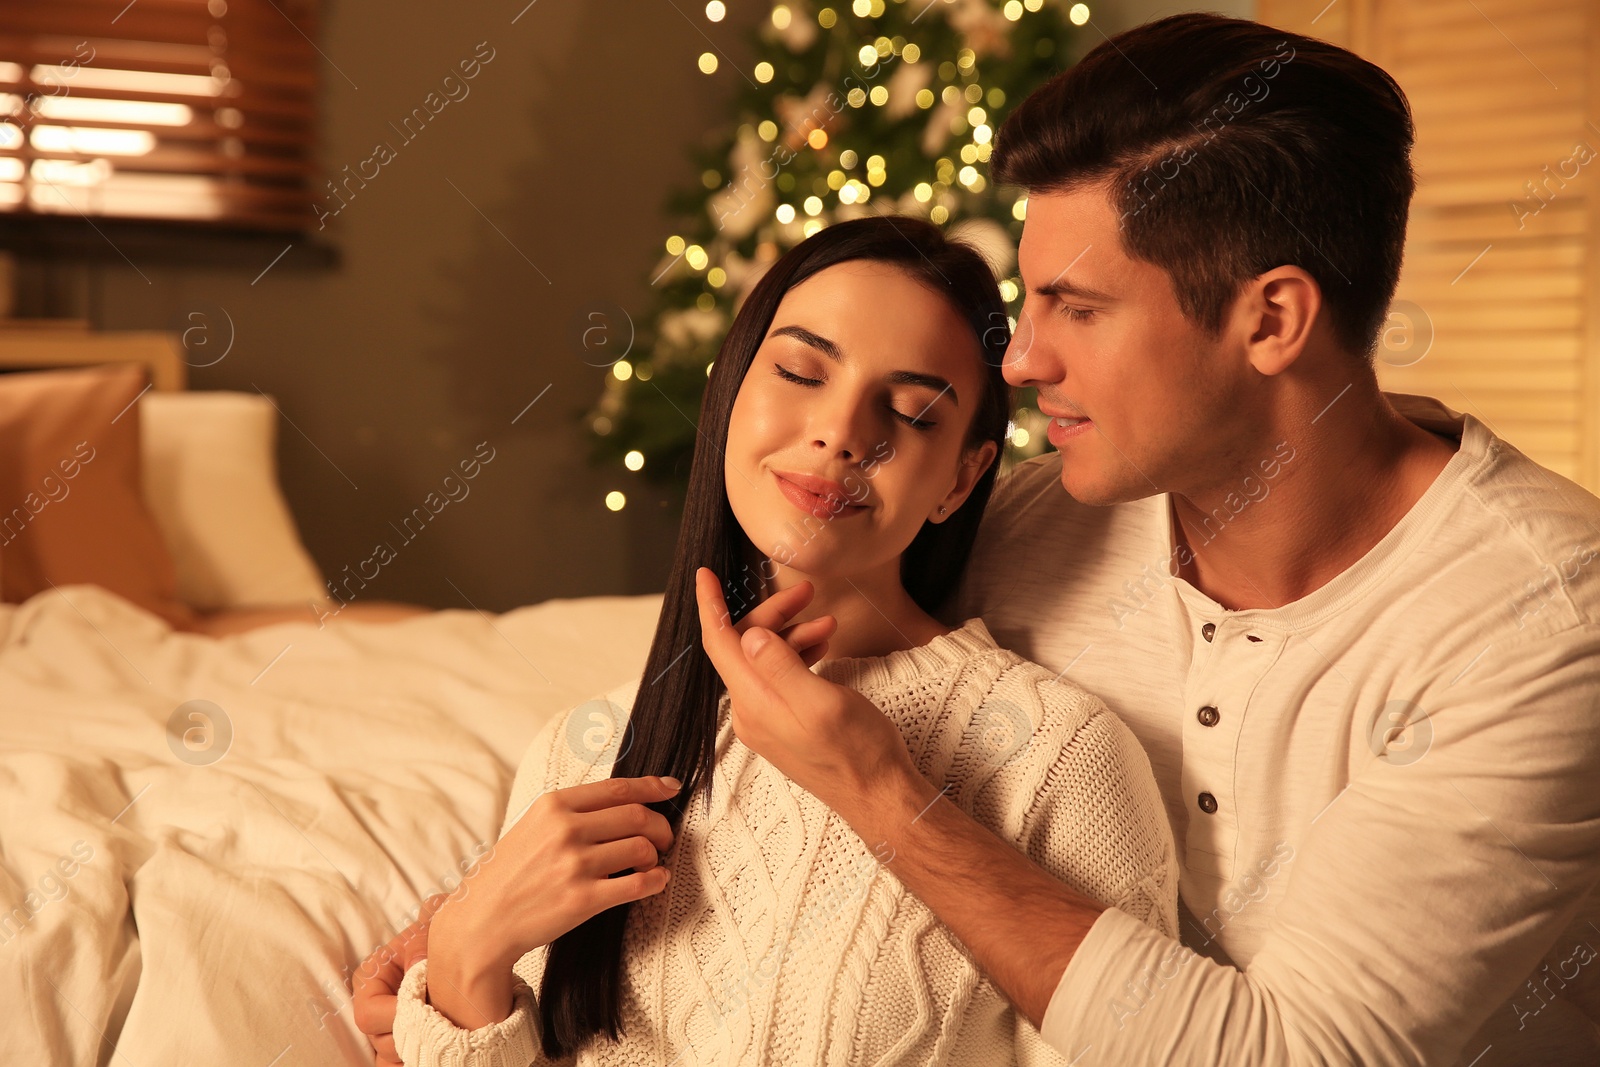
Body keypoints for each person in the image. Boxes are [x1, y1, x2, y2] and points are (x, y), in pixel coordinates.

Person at [693, 13, 1600, 1067]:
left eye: (1074, 307)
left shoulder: (1542, 622)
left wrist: (885, 795)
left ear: (1271, 322)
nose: (1023, 359)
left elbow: (1290, 1055)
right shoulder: (1035, 525)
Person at [353, 216, 1179, 1065]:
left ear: (962, 478)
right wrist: (463, 951)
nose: (843, 432)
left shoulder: (1056, 755)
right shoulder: (578, 752)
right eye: (798, 371)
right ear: (729, 396)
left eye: (908, 410)